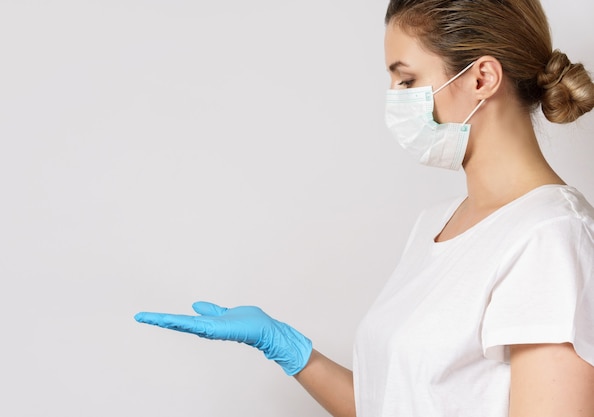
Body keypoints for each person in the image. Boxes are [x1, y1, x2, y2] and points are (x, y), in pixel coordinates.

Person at [134, 1, 594, 416]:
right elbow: (398, 403)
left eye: (407, 79)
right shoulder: (436, 225)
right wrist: (288, 348)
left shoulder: (550, 235)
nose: (395, 98)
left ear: (481, 78)